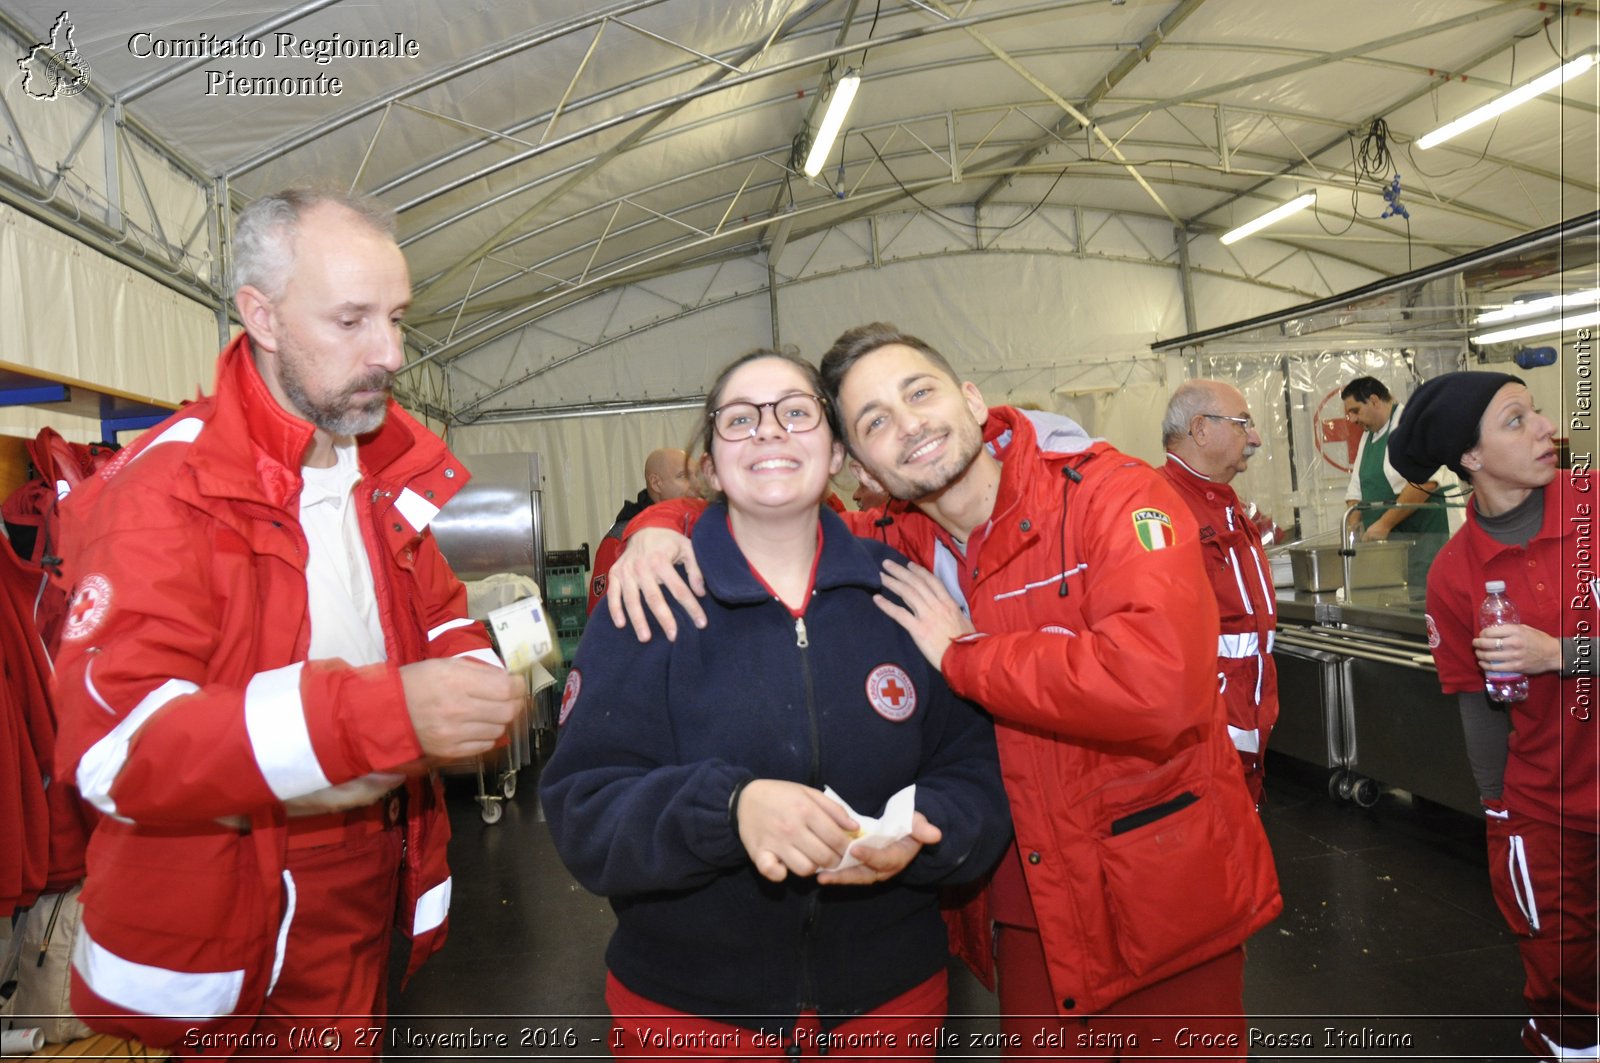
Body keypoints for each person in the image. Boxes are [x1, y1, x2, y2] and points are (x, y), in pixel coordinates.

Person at [608, 324, 1281, 1058]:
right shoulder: (898, 545)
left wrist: (969, 655)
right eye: (874, 422)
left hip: (1165, 888)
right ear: (858, 465)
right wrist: (662, 526)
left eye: (919, 392)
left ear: (969, 397)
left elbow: (1159, 686)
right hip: (1034, 900)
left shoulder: (1109, 495)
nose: (909, 426)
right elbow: (776, 514)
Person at [51, 189, 528, 1052]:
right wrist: (383, 713)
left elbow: (439, 613)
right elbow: (116, 747)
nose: (389, 352)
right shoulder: (164, 492)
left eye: (396, 317)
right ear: (260, 316)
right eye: (351, 320)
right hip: (244, 904)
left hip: (376, 876)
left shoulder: (380, 465)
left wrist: (478, 683)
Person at [539, 348, 1010, 1060]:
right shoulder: (648, 600)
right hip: (690, 1014)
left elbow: (978, 771)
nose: (769, 432)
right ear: (710, 461)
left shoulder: (904, 593)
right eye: (739, 419)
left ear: (838, 452)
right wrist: (727, 811)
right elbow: (583, 808)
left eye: (796, 412)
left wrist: (926, 827)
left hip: (891, 1004)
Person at [1389, 371, 1597, 1061]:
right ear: (1470, 458)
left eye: (1535, 412)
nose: (1545, 427)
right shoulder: (1455, 574)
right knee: (1566, 971)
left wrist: (1560, 653)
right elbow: (1478, 705)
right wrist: (1501, 814)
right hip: (1547, 805)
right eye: (1516, 419)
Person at [1159, 380, 1278, 805]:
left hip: (1246, 714)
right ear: (1200, 429)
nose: (1255, 438)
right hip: (1203, 731)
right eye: (1242, 423)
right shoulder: (1160, 506)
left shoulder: (1223, 504)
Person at [1342, 376, 1451, 596]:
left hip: (1424, 547)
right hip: (1390, 557)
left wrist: (1384, 524)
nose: (1352, 419)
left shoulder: (1412, 423)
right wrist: (1352, 524)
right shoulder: (1368, 435)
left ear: (1374, 400)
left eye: (1355, 410)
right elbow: (1356, 491)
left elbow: (1425, 482)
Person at [586, 447, 694, 613]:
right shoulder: (620, 538)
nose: (694, 485)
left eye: (695, 476)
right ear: (656, 483)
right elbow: (600, 613)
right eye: (684, 476)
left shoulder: (697, 528)